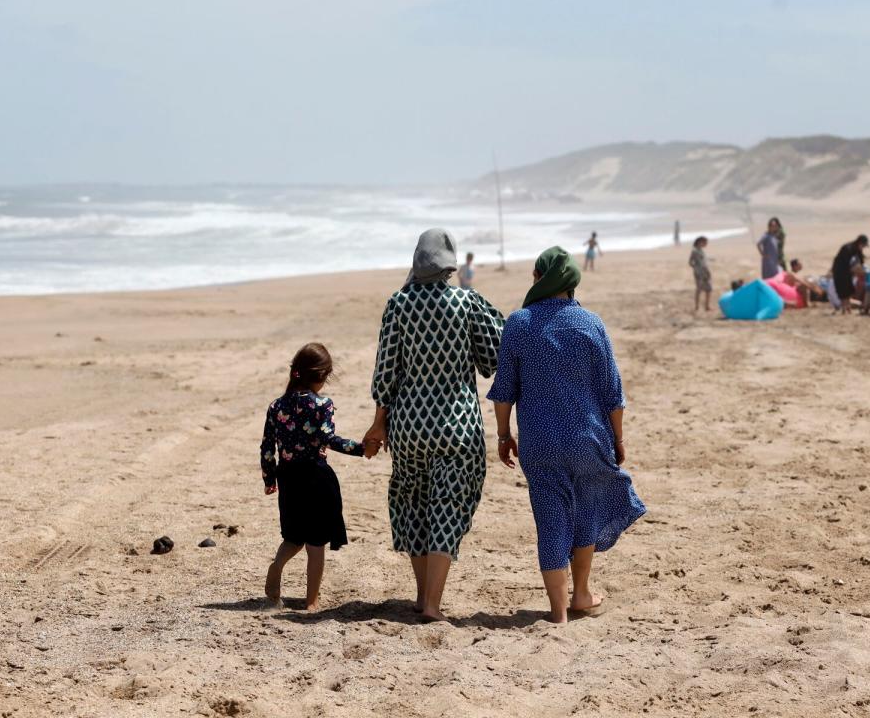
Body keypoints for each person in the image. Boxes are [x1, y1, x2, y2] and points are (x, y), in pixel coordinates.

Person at [487, 247, 645, 624]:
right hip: (588, 437)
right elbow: (613, 393)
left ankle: (557, 612)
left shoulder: (519, 323)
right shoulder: (591, 323)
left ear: (540, 278)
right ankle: (583, 594)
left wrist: (503, 435)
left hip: (539, 440)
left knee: (550, 518)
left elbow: (504, 388)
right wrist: (619, 439)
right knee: (587, 510)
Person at [364, 228, 505, 622]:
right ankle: (432, 604)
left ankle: (423, 594)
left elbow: (386, 373)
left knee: (413, 503)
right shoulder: (466, 302)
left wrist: (379, 425)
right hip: (457, 424)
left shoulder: (398, 303)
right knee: (447, 506)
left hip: (409, 425)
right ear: (448, 262)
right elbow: (495, 357)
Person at [261, 343, 377, 610]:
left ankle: (277, 565)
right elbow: (329, 439)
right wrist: (362, 450)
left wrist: (270, 479)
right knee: (316, 544)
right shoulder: (322, 405)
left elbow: (267, 446)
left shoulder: (276, 406)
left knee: (293, 537)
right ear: (323, 375)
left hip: (288, 477)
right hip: (316, 477)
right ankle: (311, 601)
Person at [831, 235, 869, 314]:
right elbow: (845, 262)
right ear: (860, 243)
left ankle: (848, 308)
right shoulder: (847, 248)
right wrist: (854, 269)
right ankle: (844, 308)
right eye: (864, 245)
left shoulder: (857, 249)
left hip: (847, 272)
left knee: (848, 289)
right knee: (842, 290)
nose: (863, 248)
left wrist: (860, 268)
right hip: (839, 271)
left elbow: (861, 260)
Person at [689, 235, 712, 312]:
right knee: (699, 289)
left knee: (708, 289)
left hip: (705, 272)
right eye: (705, 242)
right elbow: (690, 262)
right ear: (700, 242)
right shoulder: (695, 251)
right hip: (699, 273)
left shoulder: (701, 250)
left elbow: (704, 262)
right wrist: (696, 268)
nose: (706, 244)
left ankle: (707, 306)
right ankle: (697, 306)